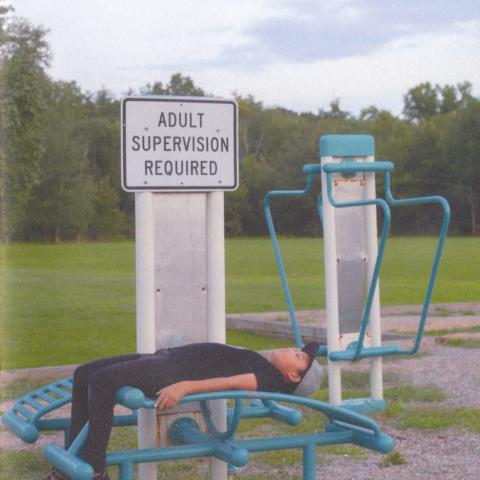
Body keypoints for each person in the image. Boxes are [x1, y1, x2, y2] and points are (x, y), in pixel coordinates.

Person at [43, 342, 321, 480]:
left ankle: (96, 471)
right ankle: (72, 463)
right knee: (84, 373)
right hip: (167, 358)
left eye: (297, 357)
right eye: (297, 350)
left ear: (293, 377)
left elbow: (230, 384)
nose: (291, 350)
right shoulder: (266, 365)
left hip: (172, 371)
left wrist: (184, 387)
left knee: (101, 382)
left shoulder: (268, 377)